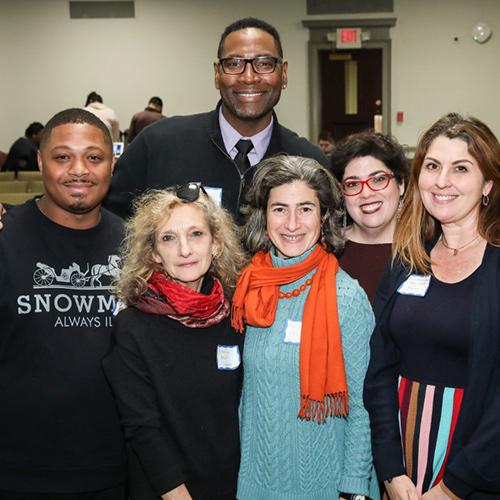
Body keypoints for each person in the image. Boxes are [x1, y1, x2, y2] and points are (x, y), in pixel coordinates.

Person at [363, 113, 500, 499]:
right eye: (433, 166)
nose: (442, 181)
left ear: (487, 183)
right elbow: (380, 368)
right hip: (402, 465)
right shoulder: (407, 260)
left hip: (475, 469)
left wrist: (454, 487)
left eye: (461, 169)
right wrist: (391, 471)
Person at [232, 155, 379, 500]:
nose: (292, 223)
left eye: (306, 209)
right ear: (263, 216)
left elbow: (365, 405)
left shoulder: (346, 297)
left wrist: (354, 488)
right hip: (258, 481)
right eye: (280, 209)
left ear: (324, 215)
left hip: (327, 486)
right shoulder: (250, 288)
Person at [0, 108, 126, 497]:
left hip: (115, 471)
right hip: (15, 471)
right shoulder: (5, 236)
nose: (79, 170)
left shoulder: (138, 245)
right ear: (40, 161)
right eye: (62, 157)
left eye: (93, 157)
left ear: (112, 163)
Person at [103, 184, 247, 499]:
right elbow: (142, 428)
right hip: (167, 491)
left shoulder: (237, 316)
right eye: (169, 238)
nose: (185, 250)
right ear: (154, 252)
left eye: (196, 234)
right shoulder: (133, 326)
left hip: (236, 486)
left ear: (216, 244)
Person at [104, 17, 326, 221]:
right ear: (217, 74)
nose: (249, 77)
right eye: (234, 64)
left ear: (283, 73)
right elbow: (110, 225)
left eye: (265, 63)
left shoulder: (309, 163)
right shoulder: (157, 145)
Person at [330, 131, 409, 304]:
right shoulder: (325, 249)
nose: (366, 193)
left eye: (378, 179)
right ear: (341, 192)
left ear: (401, 183)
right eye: (353, 184)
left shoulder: (426, 249)